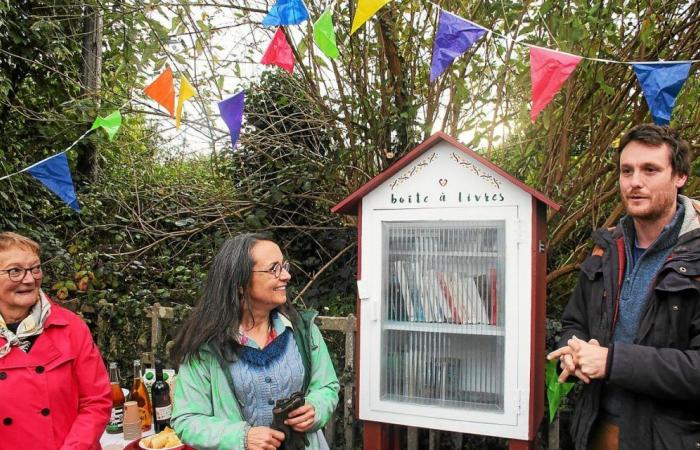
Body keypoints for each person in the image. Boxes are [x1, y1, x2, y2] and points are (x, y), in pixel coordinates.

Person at [547, 123, 700, 450]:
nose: (635, 182)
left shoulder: (697, 256)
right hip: (596, 430)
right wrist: (573, 354)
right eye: (626, 171)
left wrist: (611, 362)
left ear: (680, 177)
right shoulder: (606, 249)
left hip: (669, 440)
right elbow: (574, 322)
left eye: (650, 170)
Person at [171, 233, 340, 450]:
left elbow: (328, 386)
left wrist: (316, 407)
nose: (287, 275)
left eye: (284, 266)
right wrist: (242, 437)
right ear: (240, 283)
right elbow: (187, 420)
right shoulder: (206, 346)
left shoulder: (303, 330)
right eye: (274, 269)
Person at [0, 232, 112, 450]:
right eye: (15, 271)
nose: (30, 279)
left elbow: (96, 400)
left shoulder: (70, 327)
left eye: (35, 268)